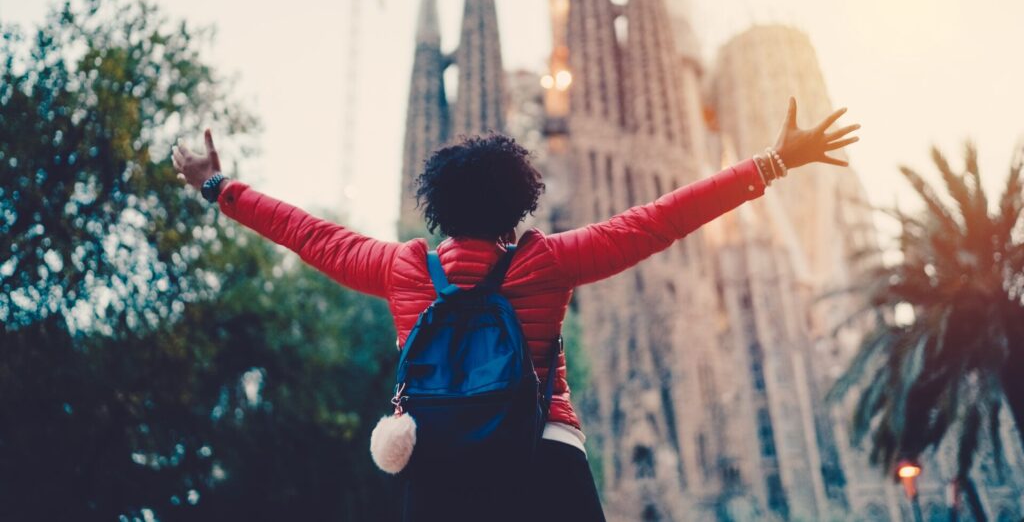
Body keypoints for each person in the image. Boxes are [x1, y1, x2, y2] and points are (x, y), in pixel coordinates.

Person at [171, 96, 859, 521]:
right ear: (519, 204)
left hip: (435, 464)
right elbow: (658, 220)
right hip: (543, 458)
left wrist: (219, 186)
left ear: (437, 208)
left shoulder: (404, 268)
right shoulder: (544, 261)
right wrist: (770, 163)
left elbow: (307, 232)